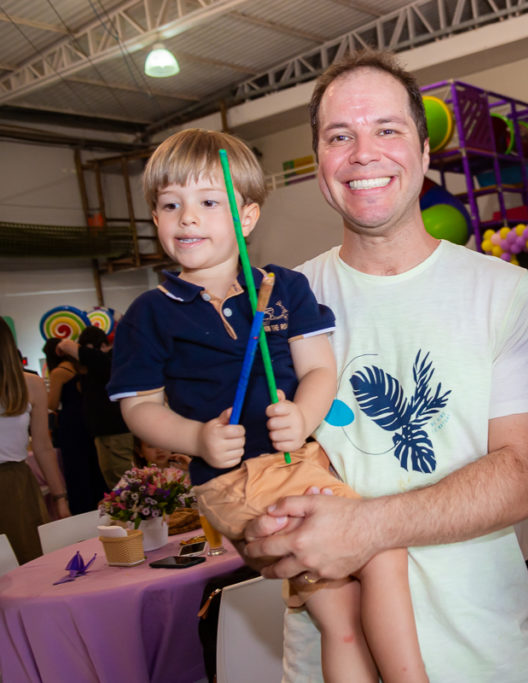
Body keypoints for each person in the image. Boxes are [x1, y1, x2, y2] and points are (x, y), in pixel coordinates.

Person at [242, 49, 528, 682]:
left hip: (487, 658)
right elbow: (252, 473)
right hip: (329, 662)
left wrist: (365, 526)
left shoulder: (507, 293)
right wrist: (255, 530)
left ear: (424, 151)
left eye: (387, 130)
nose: (365, 153)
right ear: (319, 166)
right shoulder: (274, 307)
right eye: (341, 136)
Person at [107, 128, 427, 683]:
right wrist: (196, 439)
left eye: (209, 203)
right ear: (155, 220)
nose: (188, 219)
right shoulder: (149, 313)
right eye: (170, 205)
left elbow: (320, 370)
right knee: (358, 587)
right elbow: (139, 408)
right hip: (233, 481)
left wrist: (304, 414)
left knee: (353, 595)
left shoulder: (285, 289)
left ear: (247, 217)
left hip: (297, 463)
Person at [0, 322, 70, 563]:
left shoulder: (30, 384)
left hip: (16, 485)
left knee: (27, 561)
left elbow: (42, 447)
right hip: (15, 481)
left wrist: (60, 498)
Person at [58, 326, 134, 488]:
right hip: (104, 432)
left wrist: (62, 345)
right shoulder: (101, 363)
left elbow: (67, 345)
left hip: (116, 432)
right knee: (115, 483)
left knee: (125, 483)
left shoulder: (107, 360)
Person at [43, 337, 108, 514]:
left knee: (76, 471)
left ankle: (83, 512)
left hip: (71, 424)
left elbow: (53, 404)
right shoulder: (82, 367)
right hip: (89, 420)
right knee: (94, 468)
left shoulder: (59, 372)